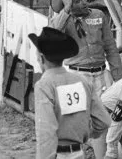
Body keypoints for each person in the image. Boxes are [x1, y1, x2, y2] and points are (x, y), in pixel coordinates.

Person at [29, 26, 111, 159]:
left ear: (41, 58)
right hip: (78, 152)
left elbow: (46, 131)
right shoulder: (82, 81)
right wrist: (85, 134)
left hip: (57, 154)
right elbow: (104, 121)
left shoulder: (44, 85)